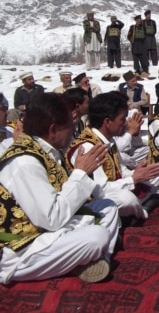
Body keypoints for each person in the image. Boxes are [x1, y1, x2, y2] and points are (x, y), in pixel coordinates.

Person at [0, 93, 120, 284]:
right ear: (53, 129)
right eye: (70, 129)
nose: (73, 134)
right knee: (96, 236)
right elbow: (52, 219)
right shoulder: (25, 162)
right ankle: (86, 259)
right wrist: (80, 173)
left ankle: (96, 261)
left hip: (45, 229)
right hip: (20, 248)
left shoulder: (44, 149)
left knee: (108, 207)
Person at [65, 92, 159, 220]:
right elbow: (101, 191)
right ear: (107, 122)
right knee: (126, 199)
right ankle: (140, 211)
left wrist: (138, 173)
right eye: (122, 119)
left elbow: (122, 171)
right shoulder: (89, 147)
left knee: (155, 176)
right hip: (92, 201)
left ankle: (134, 209)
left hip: (115, 188)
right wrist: (133, 179)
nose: (126, 123)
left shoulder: (108, 139)